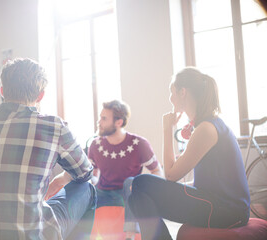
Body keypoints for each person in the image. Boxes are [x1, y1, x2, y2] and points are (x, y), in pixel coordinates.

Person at [0, 58, 96, 240]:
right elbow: (85, 173)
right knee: (87, 189)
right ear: (40, 95)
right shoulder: (52, 126)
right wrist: (61, 180)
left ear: (2, 91)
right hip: (28, 235)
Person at [128, 67, 250, 240]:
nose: (170, 98)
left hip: (227, 211)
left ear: (182, 92)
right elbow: (211, 180)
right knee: (136, 197)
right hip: (221, 205)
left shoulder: (206, 128)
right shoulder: (208, 124)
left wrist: (167, 130)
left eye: (172, 92)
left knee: (141, 183)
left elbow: (170, 175)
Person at [88, 100, 163, 240]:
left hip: (127, 193)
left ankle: (130, 235)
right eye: (100, 117)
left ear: (118, 122)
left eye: (104, 118)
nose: (99, 122)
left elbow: (158, 172)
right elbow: (94, 174)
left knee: (131, 182)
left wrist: (147, 189)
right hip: (104, 193)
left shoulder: (139, 144)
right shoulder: (95, 144)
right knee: (84, 188)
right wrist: (91, 182)